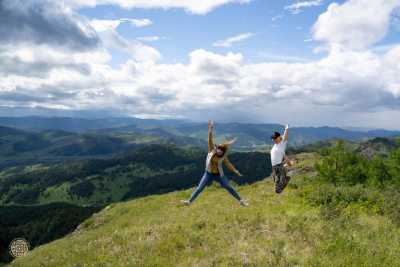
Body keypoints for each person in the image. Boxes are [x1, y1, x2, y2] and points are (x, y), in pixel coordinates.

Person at [182, 120, 248, 206]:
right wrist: (210, 129)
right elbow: (210, 140)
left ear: (223, 152)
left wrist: (235, 171)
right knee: (200, 188)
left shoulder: (223, 157)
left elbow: (228, 164)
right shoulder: (211, 150)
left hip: (219, 175)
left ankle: (241, 201)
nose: (219, 151)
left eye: (221, 150)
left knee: (228, 187)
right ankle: (189, 201)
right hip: (208, 173)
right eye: (218, 149)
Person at [270, 124, 291, 193]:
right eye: (273, 139)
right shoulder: (276, 145)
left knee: (280, 181)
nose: (274, 140)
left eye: (275, 138)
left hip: (278, 165)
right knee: (278, 180)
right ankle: (280, 188)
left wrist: (286, 128)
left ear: (279, 137)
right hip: (275, 166)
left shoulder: (282, 143)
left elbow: (285, 136)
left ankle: (280, 189)